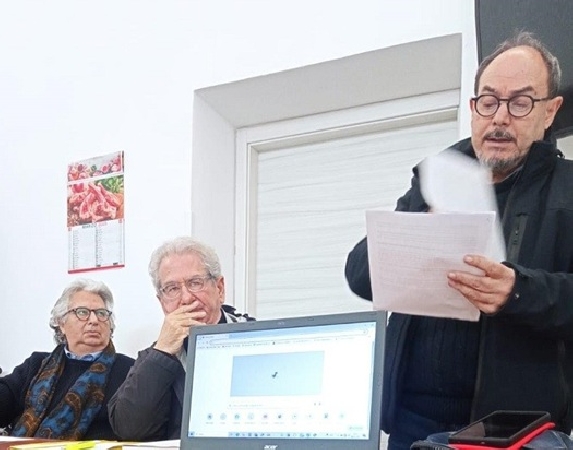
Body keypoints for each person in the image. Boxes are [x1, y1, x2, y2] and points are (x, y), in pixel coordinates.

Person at [345, 31, 571, 449]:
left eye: (520, 103)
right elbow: (360, 275)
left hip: (511, 432)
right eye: (489, 101)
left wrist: (519, 291)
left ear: (549, 112)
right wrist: (417, 230)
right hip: (410, 424)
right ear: (473, 108)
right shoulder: (434, 179)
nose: (500, 118)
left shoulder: (568, 191)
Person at [108, 236, 254, 441]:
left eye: (195, 283)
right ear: (162, 302)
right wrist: (163, 352)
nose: (186, 298)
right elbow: (128, 429)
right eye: (172, 288)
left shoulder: (255, 339)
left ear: (219, 289)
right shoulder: (155, 356)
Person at [0, 279, 134, 440]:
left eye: (101, 313)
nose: (94, 320)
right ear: (61, 323)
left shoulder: (129, 372)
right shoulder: (36, 365)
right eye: (82, 312)